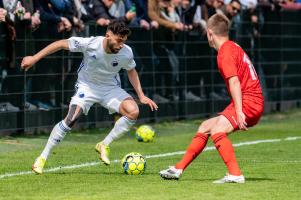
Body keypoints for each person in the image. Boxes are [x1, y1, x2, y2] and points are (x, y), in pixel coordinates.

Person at [21, 20, 158, 174]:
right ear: (108, 35)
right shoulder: (90, 43)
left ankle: (104, 144)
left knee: (133, 111)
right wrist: (34, 58)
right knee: (71, 119)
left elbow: (131, 70)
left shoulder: (126, 52)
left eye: (124, 41)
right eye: (119, 40)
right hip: (87, 87)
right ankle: (42, 158)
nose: (121, 45)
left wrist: (141, 95)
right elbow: (60, 43)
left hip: (110, 89)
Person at [159, 13, 264, 183]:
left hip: (248, 102)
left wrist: (239, 111)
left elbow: (235, 82)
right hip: (251, 100)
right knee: (205, 126)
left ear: (209, 33)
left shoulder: (225, 52)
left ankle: (235, 174)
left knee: (217, 130)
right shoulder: (233, 46)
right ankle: (178, 169)